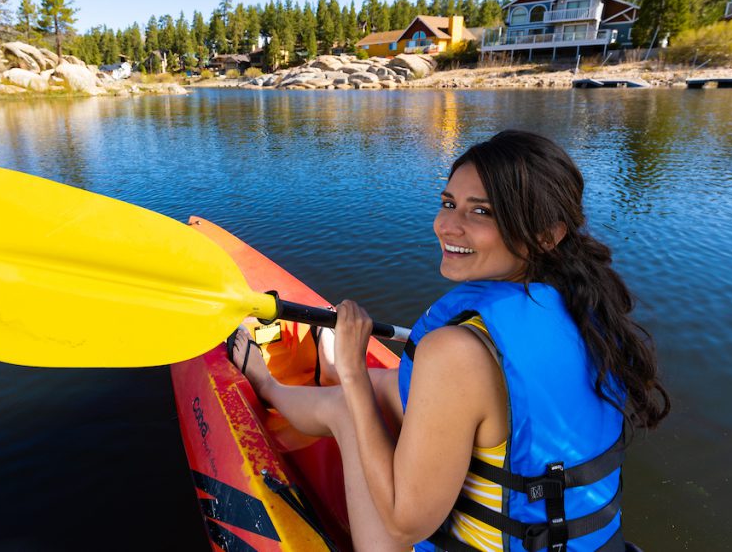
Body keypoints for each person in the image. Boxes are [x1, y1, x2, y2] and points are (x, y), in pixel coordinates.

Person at [229, 130, 670, 552]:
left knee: (351, 403)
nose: (447, 226)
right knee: (392, 386)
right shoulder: (587, 309)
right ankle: (328, 376)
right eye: (448, 203)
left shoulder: (457, 351)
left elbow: (404, 523)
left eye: (481, 212)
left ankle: (266, 384)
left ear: (546, 235)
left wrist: (353, 371)